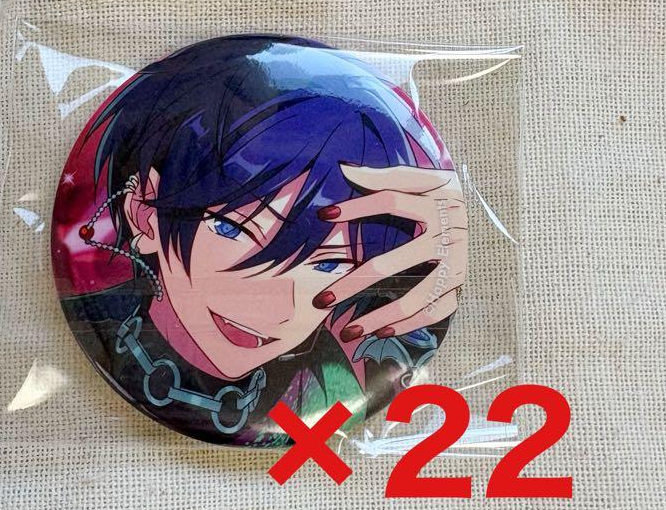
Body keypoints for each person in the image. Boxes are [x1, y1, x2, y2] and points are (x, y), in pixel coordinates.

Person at [53, 34, 466, 446]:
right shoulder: (99, 319)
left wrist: (437, 261)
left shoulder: (346, 377)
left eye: (328, 263)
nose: (272, 307)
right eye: (233, 228)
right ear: (145, 213)